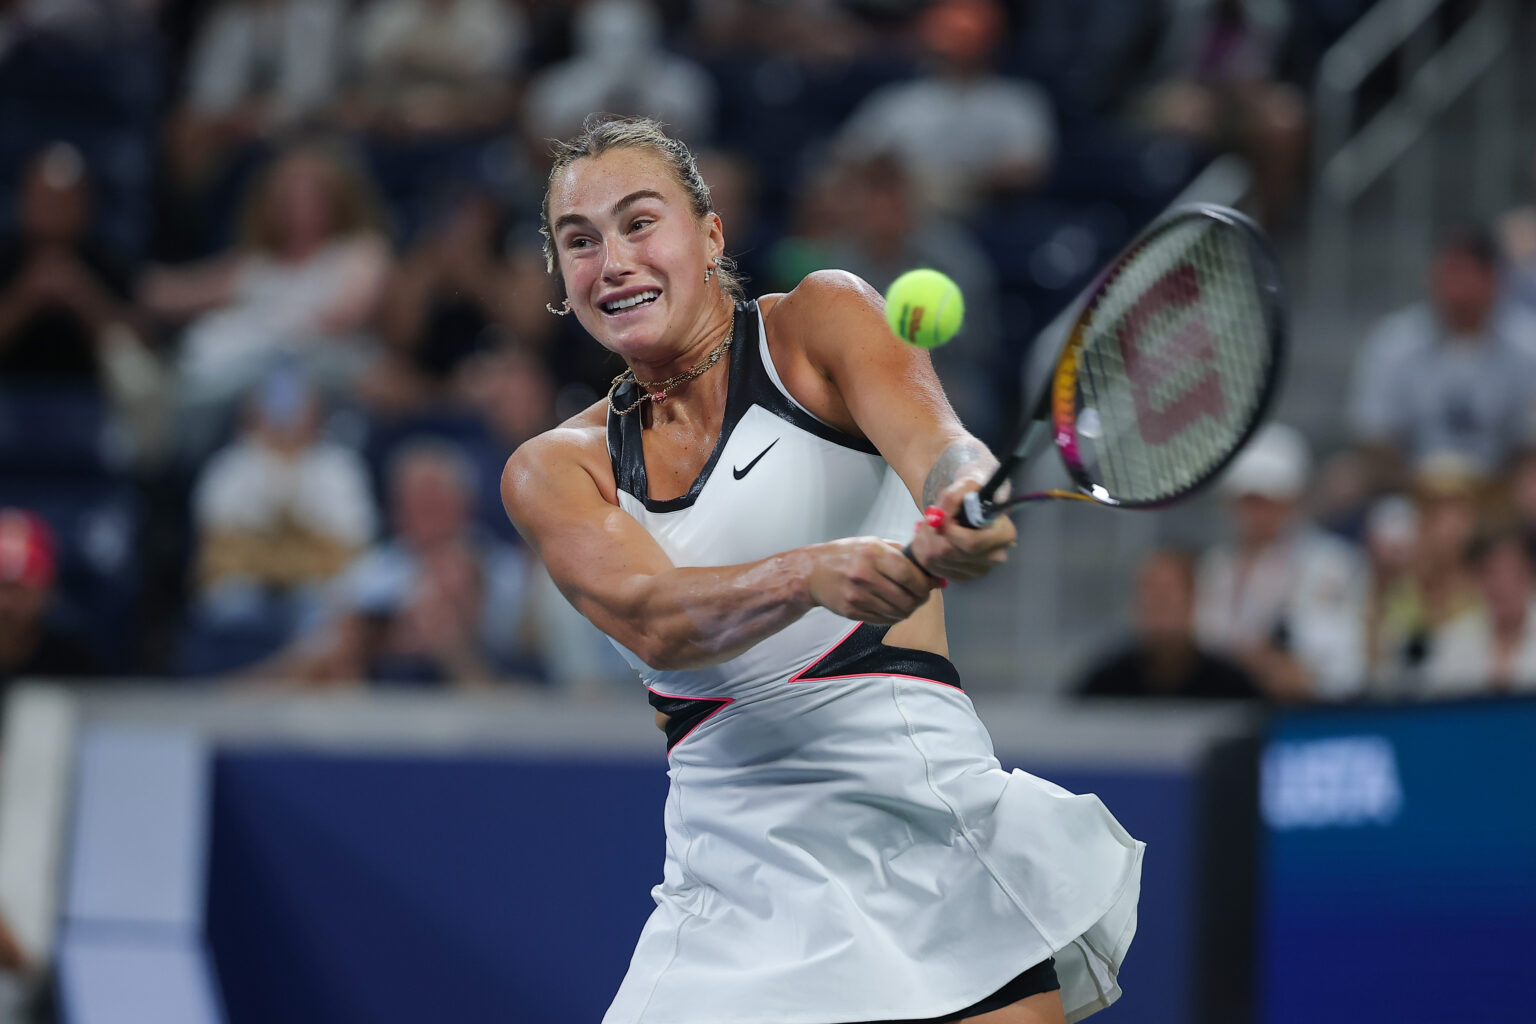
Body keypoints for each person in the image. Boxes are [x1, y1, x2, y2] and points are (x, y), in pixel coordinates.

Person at [501, 114, 1141, 1024]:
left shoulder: (820, 324)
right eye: (580, 241)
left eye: (640, 222)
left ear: (710, 233)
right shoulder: (555, 469)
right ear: (564, 282)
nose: (613, 260)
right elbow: (652, 618)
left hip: (929, 845)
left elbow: (946, 449)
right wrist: (807, 573)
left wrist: (966, 501)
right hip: (732, 893)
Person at [1347, 226, 1536, 489]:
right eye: (1448, 273)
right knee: (1343, 477)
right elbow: (1373, 436)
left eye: (1464, 274)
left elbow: (1527, 444)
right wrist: (1425, 488)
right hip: (1409, 485)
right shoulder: (1394, 341)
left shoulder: (1527, 346)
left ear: (1493, 280)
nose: (1454, 289)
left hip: (1503, 488)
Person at [1194, 422, 1369, 701]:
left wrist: (1256, 661)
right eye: (1245, 501)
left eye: (1264, 501)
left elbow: (1332, 675)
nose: (1252, 513)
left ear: (1291, 499)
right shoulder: (1216, 566)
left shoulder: (1333, 564)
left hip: (1306, 719)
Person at [1078, 547, 1260, 700]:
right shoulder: (1102, 685)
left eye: (1170, 590)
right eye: (1149, 589)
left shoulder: (1233, 688)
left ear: (1195, 598)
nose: (1158, 600)